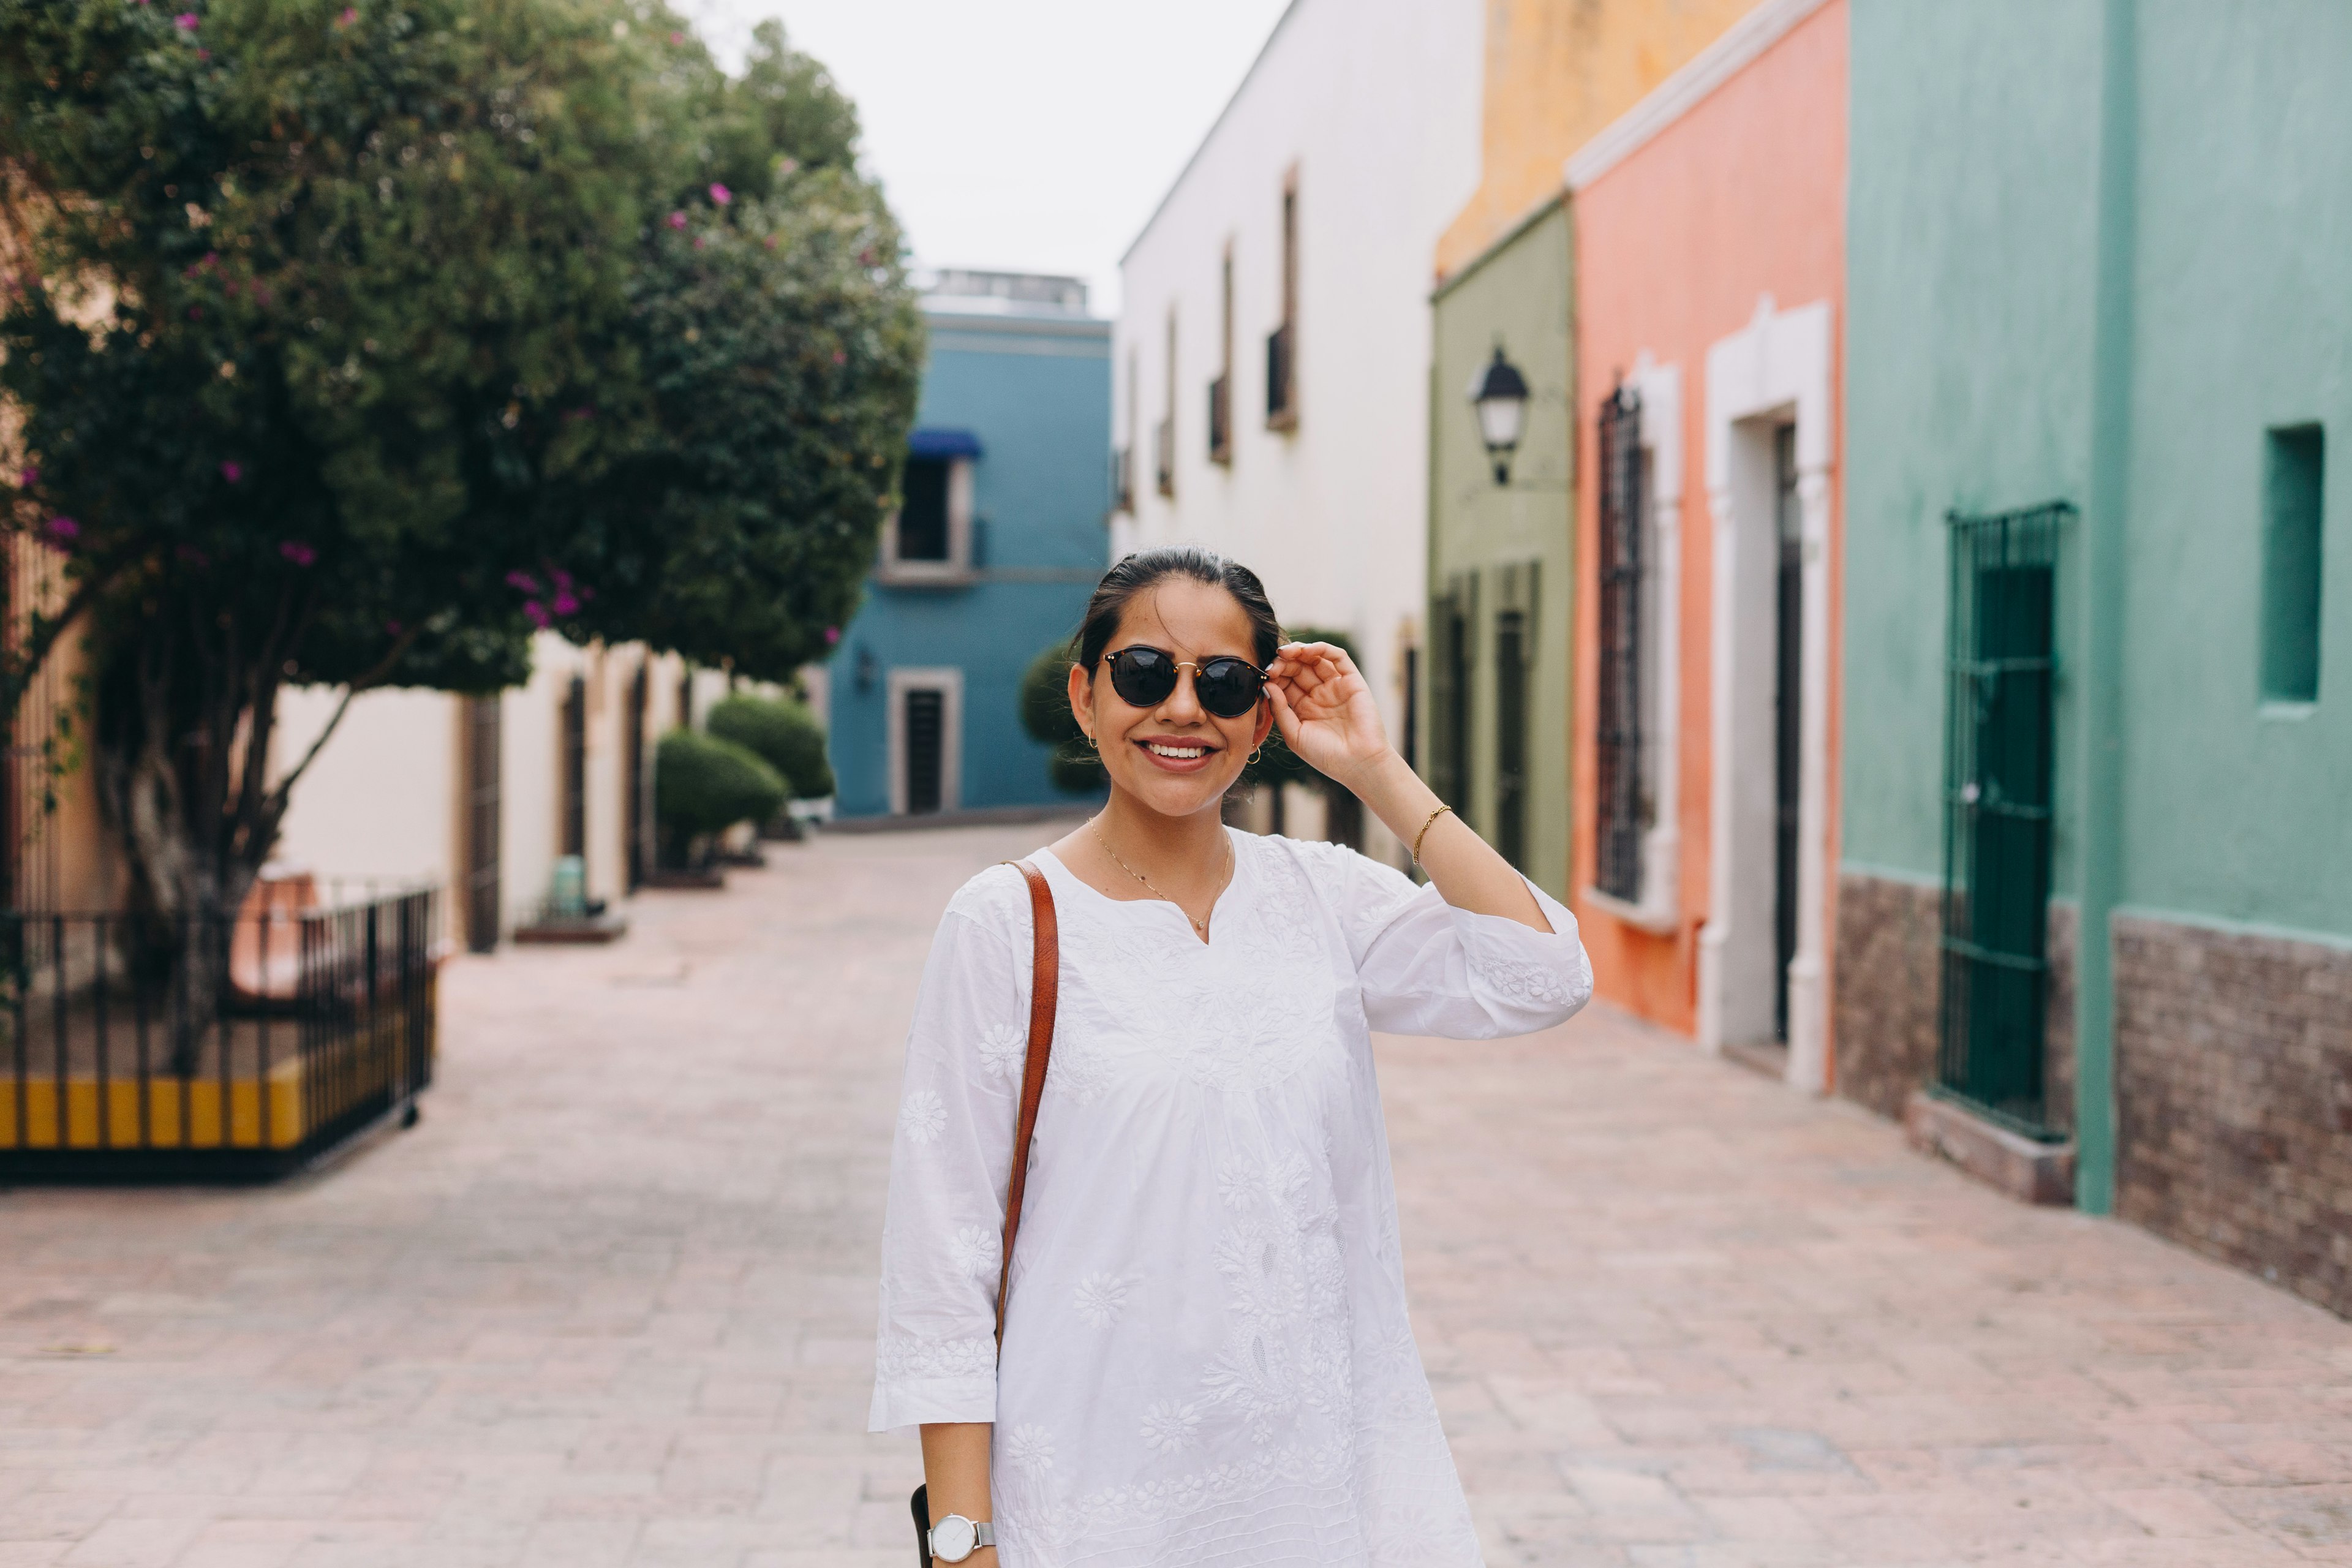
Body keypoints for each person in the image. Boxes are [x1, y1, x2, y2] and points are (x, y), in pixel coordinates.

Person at [870, 547, 1593, 1567]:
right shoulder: (1007, 923)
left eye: (1222, 683)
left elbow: (1545, 974)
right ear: (1084, 696)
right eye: (1141, 674)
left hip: (1323, 1489)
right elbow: (942, 1258)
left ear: (1261, 721)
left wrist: (1376, 771)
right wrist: (961, 1542)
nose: (1182, 709)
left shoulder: (1319, 898)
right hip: (1091, 1492)